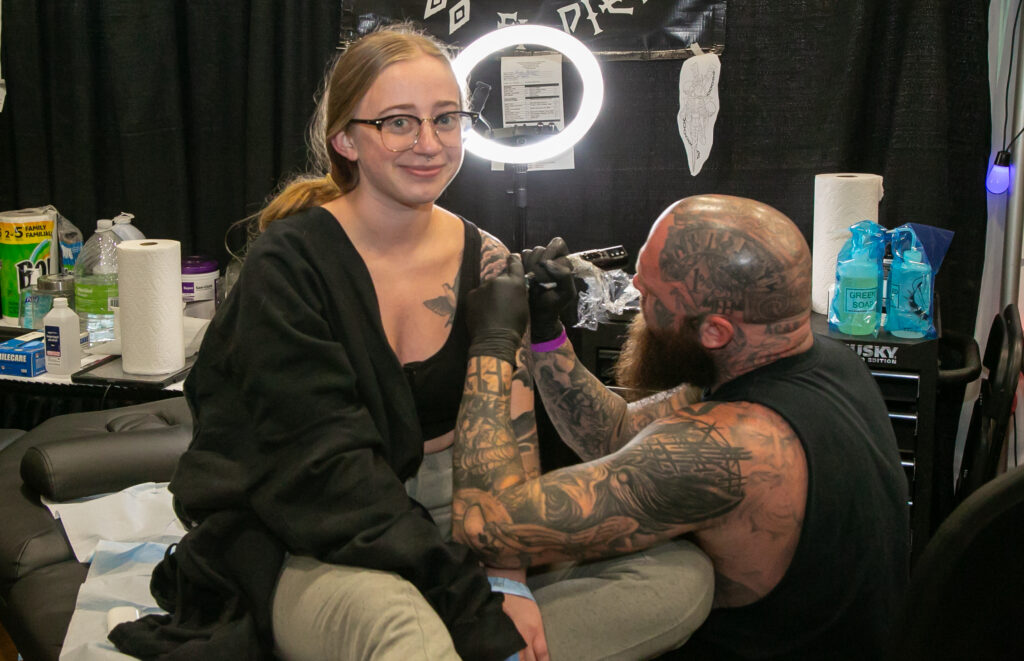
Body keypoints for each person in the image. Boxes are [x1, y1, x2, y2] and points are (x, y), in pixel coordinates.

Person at [110, 23, 536, 661]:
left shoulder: (488, 259)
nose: (429, 144)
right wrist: (472, 605)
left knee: (671, 577)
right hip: (311, 530)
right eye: (398, 122)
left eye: (446, 119)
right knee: (407, 634)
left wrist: (509, 578)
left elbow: (512, 441)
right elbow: (327, 478)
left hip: (457, 515)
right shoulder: (288, 267)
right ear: (345, 139)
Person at [452, 194, 910, 660]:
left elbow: (484, 524)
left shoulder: (726, 447)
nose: (635, 288)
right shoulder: (825, 362)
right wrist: (546, 333)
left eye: (650, 294)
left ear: (714, 332)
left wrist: (492, 343)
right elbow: (615, 433)